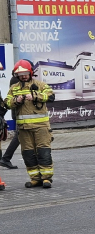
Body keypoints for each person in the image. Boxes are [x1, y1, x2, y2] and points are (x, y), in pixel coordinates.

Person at [3, 59, 55, 188]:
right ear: (16, 76)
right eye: (20, 75)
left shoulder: (40, 84)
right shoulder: (14, 89)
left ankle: (46, 178)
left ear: (30, 73)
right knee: (28, 154)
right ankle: (35, 178)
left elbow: (51, 96)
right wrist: (16, 100)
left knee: (43, 152)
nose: (23, 76)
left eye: (25, 73)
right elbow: (6, 103)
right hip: (24, 128)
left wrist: (36, 96)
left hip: (41, 127)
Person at [0, 74, 20, 169]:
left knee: (22, 136)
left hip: (21, 113)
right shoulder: (16, 80)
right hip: (19, 113)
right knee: (19, 136)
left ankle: (5, 158)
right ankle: (5, 158)